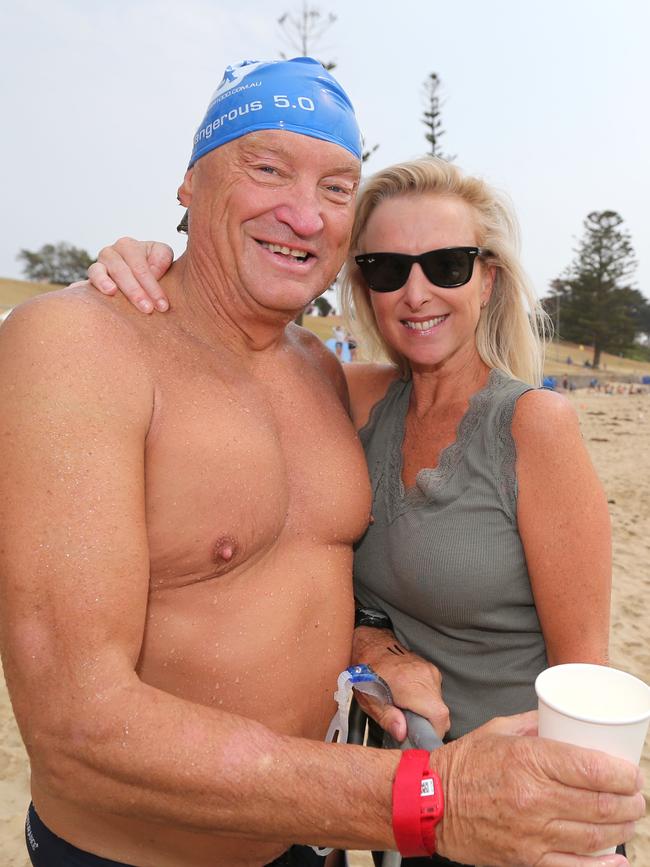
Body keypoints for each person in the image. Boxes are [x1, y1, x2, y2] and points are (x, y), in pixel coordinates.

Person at [2, 58, 643, 867]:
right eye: (266, 168)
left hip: (313, 838)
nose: (304, 214)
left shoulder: (321, 375)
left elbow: (295, 582)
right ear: (189, 186)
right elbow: (75, 726)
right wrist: (431, 801)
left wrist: (372, 649)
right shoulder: (80, 345)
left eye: (338, 188)